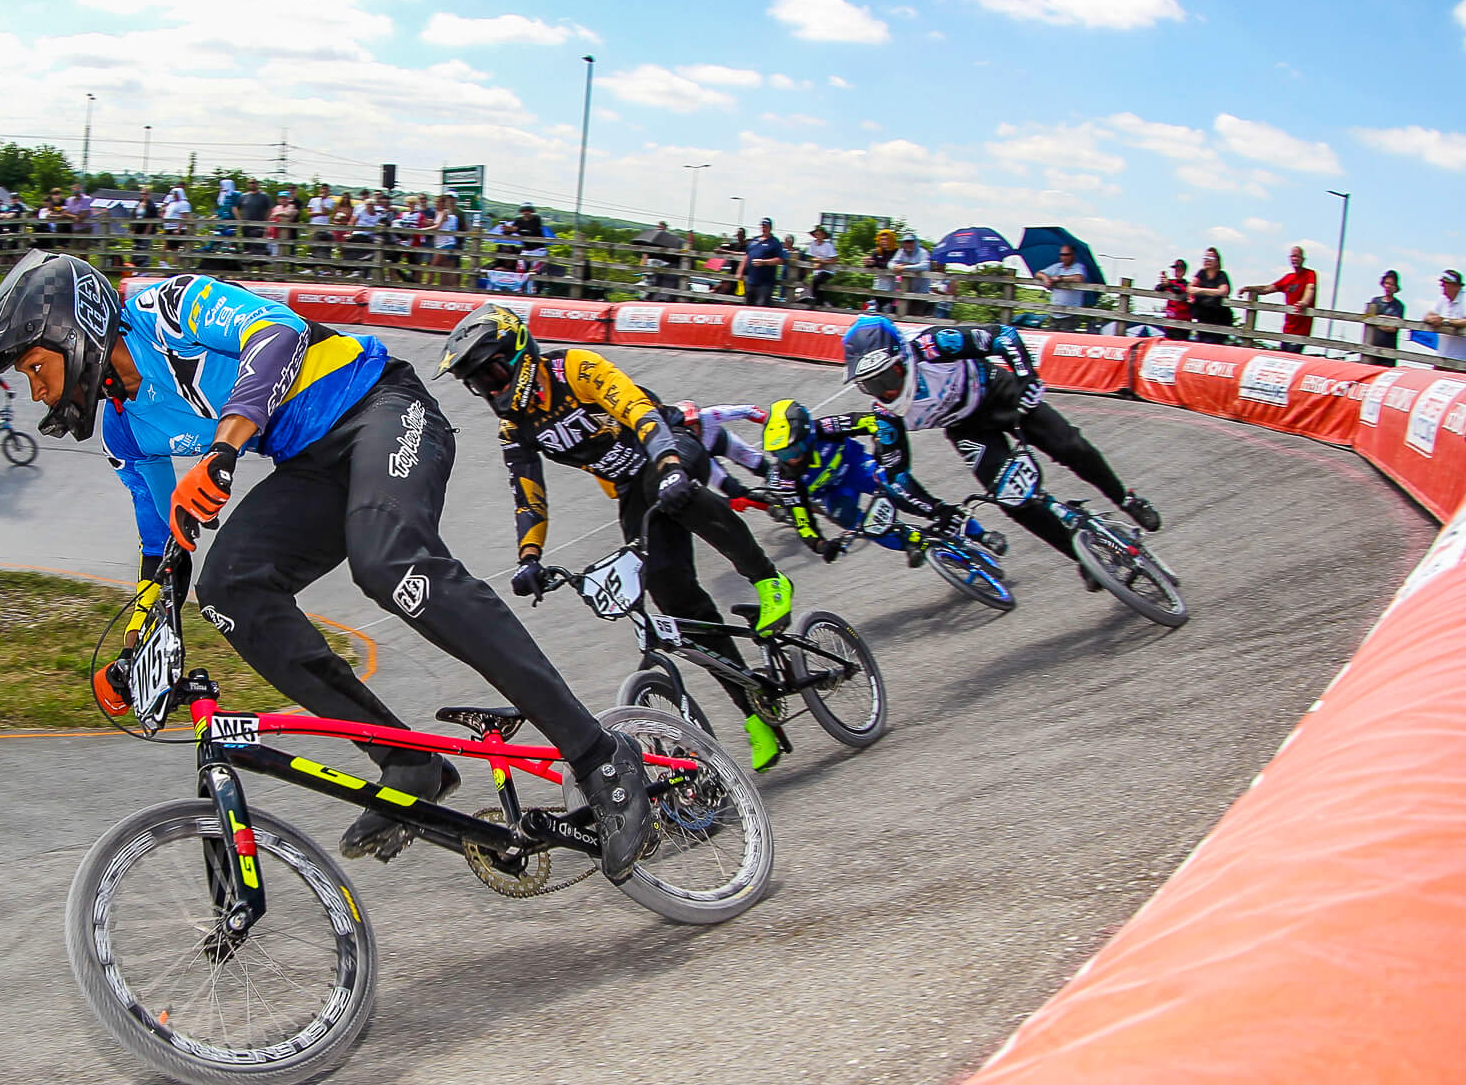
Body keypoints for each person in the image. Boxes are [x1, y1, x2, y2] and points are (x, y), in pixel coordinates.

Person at [0, 256, 655, 880]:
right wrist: (138, 642)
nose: (35, 391)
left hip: (383, 406)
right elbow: (164, 548)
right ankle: (405, 762)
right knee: (228, 588)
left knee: (391, 566)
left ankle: (598, 755)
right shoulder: (126, 427)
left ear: (75, 329)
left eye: (35, 367)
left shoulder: (169, 308)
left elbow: (277, 333)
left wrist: (222, 449)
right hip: (311, 461)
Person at [438, 304, 798, 773]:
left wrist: (670, 468)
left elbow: (640, 413)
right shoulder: (515, 427)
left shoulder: (577, 369)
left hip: (669, 446)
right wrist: (530, 559)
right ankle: (755, 712)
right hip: (631, 491)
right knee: (674, 600)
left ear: (519, 353)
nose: (491, 388)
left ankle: (769, 580)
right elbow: (528, 497)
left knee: (671, 491)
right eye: (480, 383)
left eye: (493, 373)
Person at [842, 314, 1162, 587]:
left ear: (902, 360)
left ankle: (1127, 498)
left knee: (1069, 445)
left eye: (886, 377)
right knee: (1012, 500)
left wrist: (1027, 379)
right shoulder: (886, 416)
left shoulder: (932, 344)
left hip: (999, 392)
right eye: (871, 385)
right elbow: (896, 476)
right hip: (968, 427)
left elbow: (1002, 336)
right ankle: (1080, 555)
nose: (886, 392)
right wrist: (938, 510)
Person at [759, 400, 1006, 567]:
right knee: (862, 525)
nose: (789, 459)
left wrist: (881, 444)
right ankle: (912, 541)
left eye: (794, 449)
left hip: (857, 467)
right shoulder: (785, 480)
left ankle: (979, 533)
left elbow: (874, 421)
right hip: (834, 493)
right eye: (781, 454)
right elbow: (803, 522)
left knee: (901, 490)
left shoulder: (826, 428)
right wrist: (821, 545)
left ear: (809, 436)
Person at [1241, 246, 1318, 353]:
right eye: (1292, 256)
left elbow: (1311, 288)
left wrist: (1304, 302)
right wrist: (1249, 288)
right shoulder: (1288, 278)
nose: (1295, 259)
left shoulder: (1310, 274)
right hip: (1287, 329)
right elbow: (1267, 289)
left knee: (1292, 356)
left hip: (1301, 331)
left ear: (1303, 259)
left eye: (1297, 256)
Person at [1035, 243, 1090, 332]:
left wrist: (1060, 278)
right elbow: (1038, 273)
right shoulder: (1056, 267)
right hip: (1054, 312)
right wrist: (1045, 278)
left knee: (1065, 338)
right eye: (1062, 254)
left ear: (1073, 255)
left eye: (1067, 254)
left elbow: (1079, 278)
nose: (1064, 257)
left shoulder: (1078, 267)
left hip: (1070, 314)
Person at [1186, 248, 1233, 343]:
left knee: (1214, 343)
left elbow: (1224, 291)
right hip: (1203, 318)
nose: (1208, 260)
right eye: (1206, 257)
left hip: (1219, 319)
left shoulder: (1221, 275)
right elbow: (1189, 288)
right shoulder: (1201, 273)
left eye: (1211, 257)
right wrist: (1212, 292)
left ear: (1217, 261)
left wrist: (1199, 291)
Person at [1424, 269, 1466, 364]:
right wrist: (1433, 320)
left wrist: (1445, 322)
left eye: (1446, 283)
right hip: (1441, 357)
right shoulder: (1442, 299)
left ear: (1456, 286)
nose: (1442, 285)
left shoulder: (1464, 299)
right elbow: (1427, 316)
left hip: (1461, 360)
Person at [1362, 270, 1404, 363]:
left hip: (1389, 351)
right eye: (1386, 283)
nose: (1388, 286)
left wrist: (1377, 322)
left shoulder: (1399, 306)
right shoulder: (1375, 301)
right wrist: (1385, 322)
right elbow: (1367, 319)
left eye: (1391, 284)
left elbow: (1393, 328)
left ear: (1395, 287)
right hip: (1372, 347)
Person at [742, 218, 785, 308]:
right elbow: (746, 256)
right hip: (751, 280)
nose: (764, 228)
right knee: (748, 306)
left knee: (761, 306)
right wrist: (740, 271)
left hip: (765, 283)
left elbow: (779, 260)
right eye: (762, 226)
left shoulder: (775, 242)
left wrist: (764, 262)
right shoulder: (754, 241)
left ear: (770, 228)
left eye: (766, 226)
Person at [1156, 259, 1192, 339]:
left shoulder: (1188, 285)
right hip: (1169, 324)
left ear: (1184, 271)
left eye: (1180, 269)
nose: (1177, 271)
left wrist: (1169, 284)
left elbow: (1180, 291)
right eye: (1176, 269)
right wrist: (1163, 284)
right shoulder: (1171, 283)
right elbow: (1158, 288)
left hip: (1182, 325)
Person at [804, 225, 838, 308]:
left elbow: (834, 259)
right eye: (816, 234)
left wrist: (821, 262)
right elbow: (809, 256)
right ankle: (821, 303)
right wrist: (815, 260)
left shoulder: (828, 245)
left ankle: (812, 297)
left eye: (820, 234)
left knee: (816, 280)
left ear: (824, 235)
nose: (818, 236)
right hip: (817, 270)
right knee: (817, 285)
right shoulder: (813, 244)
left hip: (828, 271)